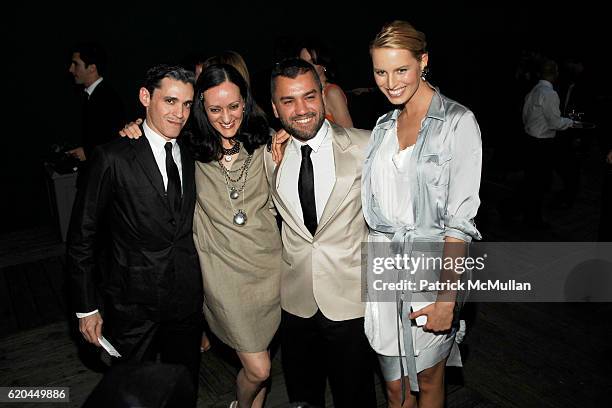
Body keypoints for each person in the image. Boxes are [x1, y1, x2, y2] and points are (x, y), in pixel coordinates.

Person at [120, 63, 281, 408]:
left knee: (261, 357)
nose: (226, 118)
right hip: (223, 275)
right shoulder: (189, 150)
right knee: (259, 368)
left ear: (246, 103)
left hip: (269, 270)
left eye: (234, 106)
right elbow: (155, 138)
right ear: (201, 110)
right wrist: (134, 127)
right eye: (215, 109)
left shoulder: (267, 143)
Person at [364, 21, 483, 407]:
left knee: (429, 380)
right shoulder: (383, 125)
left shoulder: (457, 123)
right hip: (382, 268)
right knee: (396, 387)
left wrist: (447, 297)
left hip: (431, 272)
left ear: (423, 61)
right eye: (381, 71)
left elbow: (460, 223)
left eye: (401, 69)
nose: (390, 81)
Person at [67, 64, 203, 401]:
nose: (180, 113)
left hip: (185, 301)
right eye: (170, 101)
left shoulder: (192, 151)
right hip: (132, 304)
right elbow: (82, 237)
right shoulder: (112, 157)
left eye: (187, 104)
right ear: (146, 97)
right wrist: (86, 307)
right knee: (128, 393)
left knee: (182, 388)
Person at [267, 58, 376, 407]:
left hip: (352, 304)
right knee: (303, 398)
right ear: (275, 108)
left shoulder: (366, 146)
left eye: (309, 96)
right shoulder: (268, 157)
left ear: (324, 97)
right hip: (296, 305)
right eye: (288, 101)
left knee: (356, 397)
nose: (301, 109)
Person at [522, 58, 575, 228]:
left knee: (531, 181)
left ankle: (527, 215)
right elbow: (555, 123)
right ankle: (533, 220)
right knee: (539, 184)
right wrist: (571, 122)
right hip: (542, 144)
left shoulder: (534, 90)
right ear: (554, 74)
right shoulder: (550, 94)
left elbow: (524, 115)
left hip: (530, 140)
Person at [67, 41, 125, 162]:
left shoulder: (108, 98)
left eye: (76, 64)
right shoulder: (90, 95)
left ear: (92, 68)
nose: (71, 69)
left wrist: (87, 152)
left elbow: (115, 139)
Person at [298, 39, 354, 128]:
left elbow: (349, 133)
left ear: (323, 64)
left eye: (312, 62)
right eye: (303, 62)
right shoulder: (306, 93)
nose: (306, 67)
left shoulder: (332, 92)